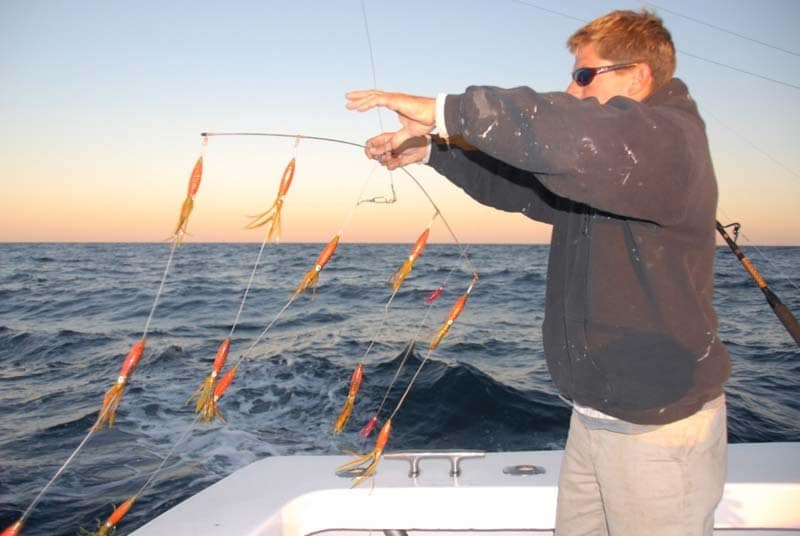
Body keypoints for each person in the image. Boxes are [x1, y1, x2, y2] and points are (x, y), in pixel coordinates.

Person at [346, 9, 730, 536]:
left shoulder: (666, 143)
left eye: (584, 76)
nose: (572, 91)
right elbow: (522, 186)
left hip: (657, 430)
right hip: (594, 416)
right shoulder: (611, 169)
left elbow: (564, 133)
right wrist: (433, 152)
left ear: (639, 75)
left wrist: (446, 111)